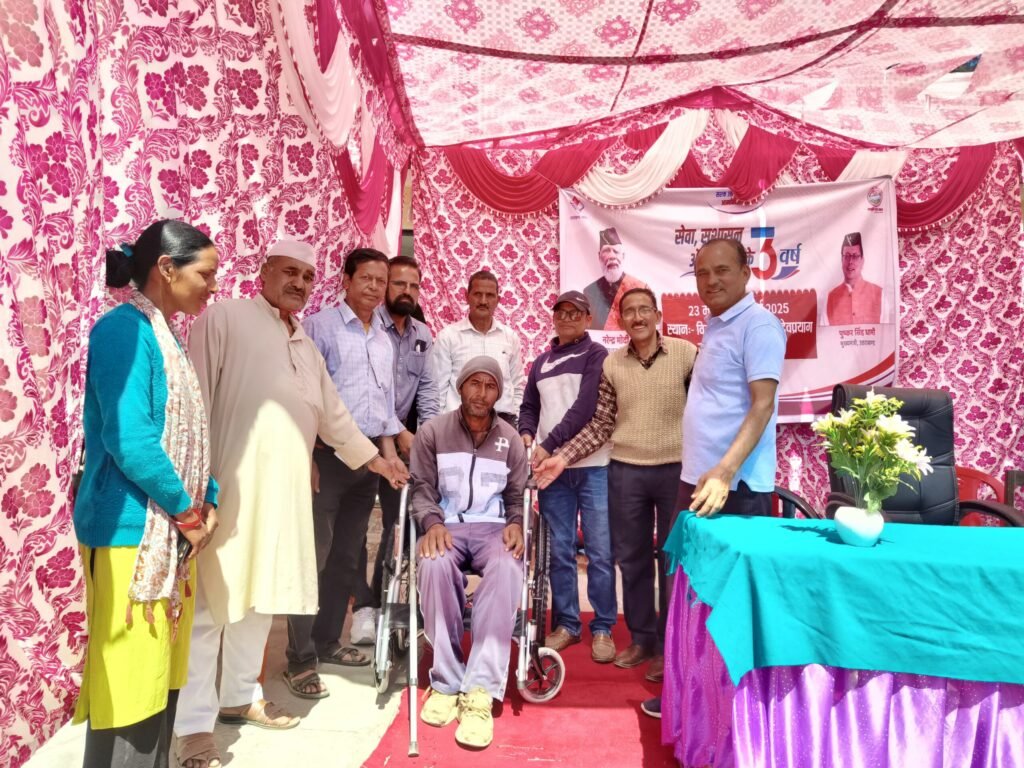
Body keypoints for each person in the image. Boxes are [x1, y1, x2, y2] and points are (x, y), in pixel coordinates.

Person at [175, 240, 404, 768]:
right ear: (264, 271)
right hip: (226, 491)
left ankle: (239, 698)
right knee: (210, 608)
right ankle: (192, 728)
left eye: (307, 276)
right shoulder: (224, 319)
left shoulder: (303, 343)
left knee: (261, 598)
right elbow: (194, 402)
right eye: (289, 272)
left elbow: (335, 416)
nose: (299, 283)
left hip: (286, 495)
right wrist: (195, 488)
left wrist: (379, 462)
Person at [73, 219, 220, 768]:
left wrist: (208, 497)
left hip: (169, 535)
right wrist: (187, 512)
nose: (212, 287)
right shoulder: (123, 331)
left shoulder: (167, 335)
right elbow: (130, 439)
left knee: (158, 690)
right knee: (130, 695)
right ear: (166, 268)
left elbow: (191, 434)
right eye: (205, 274)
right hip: (131, 536)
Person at [641, 237, 787, 719]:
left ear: (746, 273)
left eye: (722, 270)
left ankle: (724, 713)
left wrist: (724, 472)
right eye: (702, 273)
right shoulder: (718, 324)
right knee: (691, 592)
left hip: (733, 490)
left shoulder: (759, 325)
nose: (711, 281)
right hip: (698, 482)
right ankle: (689, 696)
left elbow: (762, 406)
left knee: (725, 601)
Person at [534, 288, 697, 685]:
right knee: (633, 559)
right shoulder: (613, 365)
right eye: (629, 312)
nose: (637, 317)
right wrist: (562, 458)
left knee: (673, 560)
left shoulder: (687, 354)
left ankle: (670, 646)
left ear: (657, 315)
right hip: (626, 471)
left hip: (676, 471)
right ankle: (642, 640)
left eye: (644, 310)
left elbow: (705, 410)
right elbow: (602, 423)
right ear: (620, 321)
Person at [285, 248, 409, 679]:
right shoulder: (319, 328)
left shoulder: (384, 339)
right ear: (346, 280)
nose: (375, 287)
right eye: (367, 278)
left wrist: (389, 459)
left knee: (346, 558)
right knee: (314, 556)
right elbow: (302, 399)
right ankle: (299, 655)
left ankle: (326, 642)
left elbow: (385, 410)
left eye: (381, 281)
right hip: (327, 459)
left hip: (369, 464)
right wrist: (307, 458)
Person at [413, 357, 528, 749]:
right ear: (460, 387)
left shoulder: (510, 439)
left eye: (490, 386)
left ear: (498, 393)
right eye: (474, 384)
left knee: (508, 567)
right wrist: (432, 523)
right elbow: (422, 486)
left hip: (494, 528)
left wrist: (516, 522)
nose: (481, 393)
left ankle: (480, 690)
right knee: (433, 563)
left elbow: (517, 495)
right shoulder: (433, 432)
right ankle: (446, 681)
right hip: (447, 525)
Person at [517, 290, 617, 663]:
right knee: (559, 550)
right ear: (554, 317)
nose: (568, 318)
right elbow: (529, 407)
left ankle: (603, 627)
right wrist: (527, 434)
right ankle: (568, 625)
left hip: (593, 467)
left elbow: (585, 408)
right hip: (551, 473)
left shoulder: (596, 355)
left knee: (599, 551)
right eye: (562, 312)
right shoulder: (541, 362)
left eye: (576, 313)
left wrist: (549, 445)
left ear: (589, 318)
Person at [350, 255, 440, 645]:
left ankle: (383, 601)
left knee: (397, 525)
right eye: (399, 284)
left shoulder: (422, 333)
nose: (407, 291)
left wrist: (425, 437)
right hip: (358, 439)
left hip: (402, 446)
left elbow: (429, 391)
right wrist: (400, 431)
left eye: (414, 286)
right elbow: (373, 390)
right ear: (386, 286)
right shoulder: (369, 327)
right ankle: (362, 608)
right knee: (354, 529)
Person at [430, 270, 525, 427]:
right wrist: (438, 429)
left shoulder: (510, 338)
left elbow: (517, 387)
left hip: (502, 424)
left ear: (498, 300)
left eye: (490, 295)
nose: (483, 301)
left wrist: (515, 423)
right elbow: (437, 391)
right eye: (477, 294)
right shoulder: (448, 337)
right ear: (466, 297)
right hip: (459, 424)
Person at [582, 227, 648, 330]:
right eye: (606, 251)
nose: (611, 256)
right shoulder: (589, 292)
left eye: (616, 251)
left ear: (623, 256)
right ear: (599, 256)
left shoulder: (641, 288)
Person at [825, 232, 882, 325]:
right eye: (846, 256)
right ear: (841, 260)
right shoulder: (831, 298)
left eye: (855, 256)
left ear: (862, 261)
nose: (850, 261)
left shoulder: (879, 294)